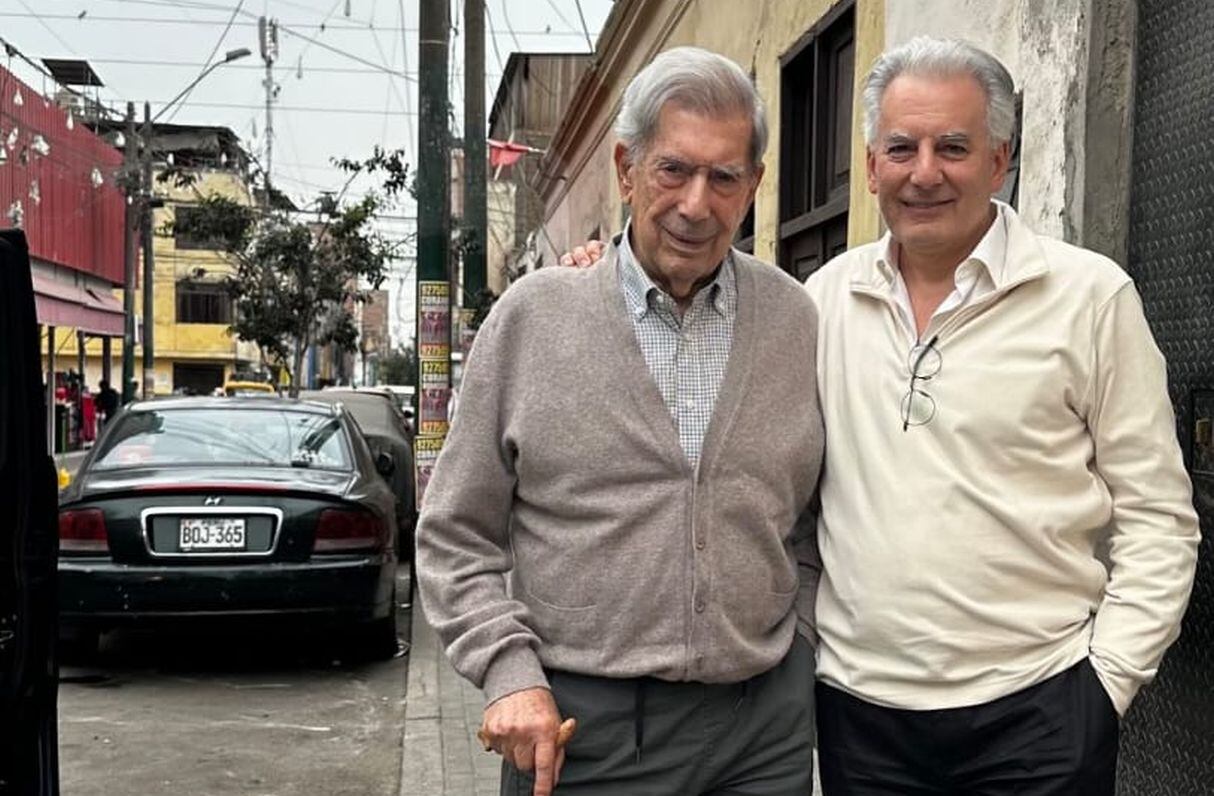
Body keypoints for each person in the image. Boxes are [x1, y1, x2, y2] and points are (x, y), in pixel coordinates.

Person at [416, 47, 824, 796]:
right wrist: (508, 673)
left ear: (754, 186)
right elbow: (453, 534)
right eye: (674, 169)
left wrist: (799, 639)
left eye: (724, 177)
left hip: (763, 728)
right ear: (625, 167)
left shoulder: (797, 320)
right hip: (583, 732)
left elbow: (812, 515)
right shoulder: (533, 321)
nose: (697, 205)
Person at [803, 37, 1199, 794]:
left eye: (953, 146)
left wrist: (1104, 686)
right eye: (902, 147)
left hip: (1040, 717)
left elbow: (1159, 519)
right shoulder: (823, 301)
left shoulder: (1089, 298)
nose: (925, 171)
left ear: (999, 160)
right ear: (870, 166)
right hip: (861, 720)